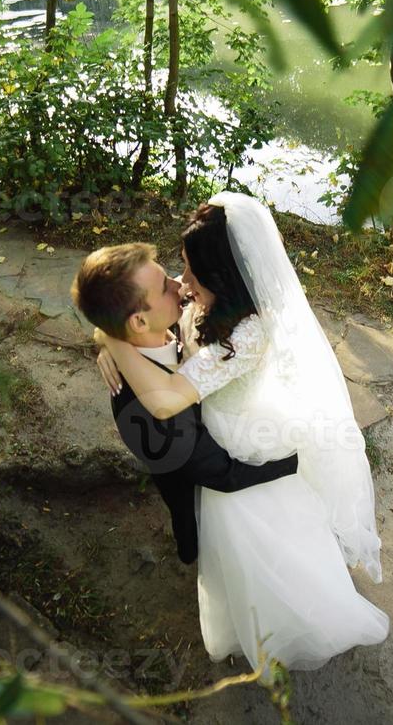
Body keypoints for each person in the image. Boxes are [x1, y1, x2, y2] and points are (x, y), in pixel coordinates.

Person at [94, 193, 388, 671]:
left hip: (237, 438)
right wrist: (108, 337)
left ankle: (295, 618)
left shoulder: (246, 334)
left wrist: (110, 337)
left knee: (256, 531)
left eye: (190, 272)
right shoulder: (206, 297)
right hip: (206, 420)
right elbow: (145, 318)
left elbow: (168, 398)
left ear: (222, 277)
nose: (181, 282)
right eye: (182, 267)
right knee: (220, 532)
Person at [70, 242, 301, 565]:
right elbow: (222, 475)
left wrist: (108, 337)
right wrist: (291, 464)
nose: (180, 284)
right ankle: (191, 550)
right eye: (166, 286)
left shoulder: (161, 324)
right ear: (138, 322)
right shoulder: (146, 413)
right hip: (194, 483)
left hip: (214, 430)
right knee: (192, 520)